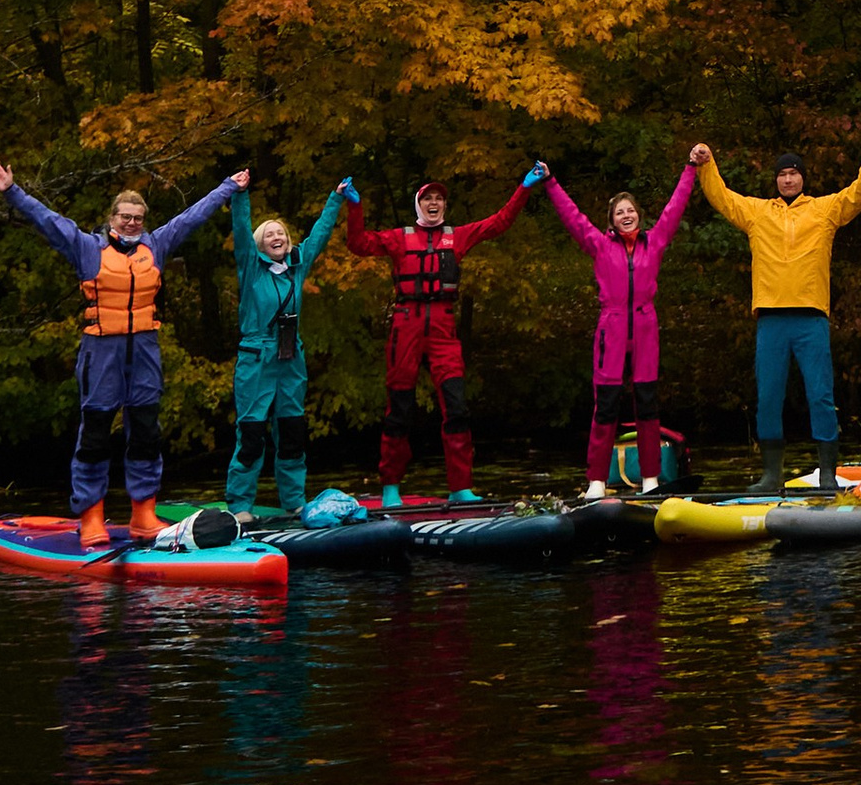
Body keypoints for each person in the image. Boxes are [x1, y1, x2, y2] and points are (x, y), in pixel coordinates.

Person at [0, 156, 245, 548]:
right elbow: (47, 220)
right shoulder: (88, 249)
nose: (131, 223)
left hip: (143, 350)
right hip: (101, 351)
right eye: (125, 216)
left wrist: (228, 186)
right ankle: (91, 516)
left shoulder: (155, 245)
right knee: (95, 434)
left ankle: (143, 513)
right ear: (112, 218)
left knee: (145, 431)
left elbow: (193, 217)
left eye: (138, 217)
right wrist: (12, 191)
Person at [343, 163, 548, 509]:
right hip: (406, 325)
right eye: (428, 198)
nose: (434, 203)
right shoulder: (398, 237)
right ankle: (391, 485)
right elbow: (358, 243)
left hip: (442, 327)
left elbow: (499, 222)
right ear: (418, 205)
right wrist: (354, 206)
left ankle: (460, 486)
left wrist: (524, 188)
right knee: (399, 409)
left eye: (439, 198)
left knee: (456, 408)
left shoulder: (459, 236)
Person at [691, 136, 861, 499]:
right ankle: (771, 475)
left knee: (821, 395)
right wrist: (707, 163)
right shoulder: (759, 213)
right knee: (769, 396)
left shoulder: (824, 210)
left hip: (810, 317)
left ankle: (827, 473)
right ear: (776, 180)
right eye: (782, 175)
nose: (788, 180)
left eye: (793, 174)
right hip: (771, 319)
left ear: (803, 178)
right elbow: (723, 198)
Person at [541, 156, 700, 493]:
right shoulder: (599, 245)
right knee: (607, 405)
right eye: (619, 212)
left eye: (631, 210)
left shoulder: (654, 242)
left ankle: (650, 478)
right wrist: (551, 182)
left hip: (645, 327)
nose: (627, 215)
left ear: (638, 215)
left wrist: (689, 168)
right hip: (611, 329)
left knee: (647, 404)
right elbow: (572, 217)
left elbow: (675, 208)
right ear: (611, 221)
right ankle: (596, 481)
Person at [225, 179, 350, 519]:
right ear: (260, 245)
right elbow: (240, 228)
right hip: (257, 360)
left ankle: (293, 500)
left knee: (292, 433)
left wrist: (335, 198)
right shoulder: (251, 270)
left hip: (291, 360)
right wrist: (241, 195)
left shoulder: (296, 268)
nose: (277, 238)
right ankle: (240, 506)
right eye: (269, 235)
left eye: (280, 233)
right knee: (251, 436)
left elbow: (320, 236)